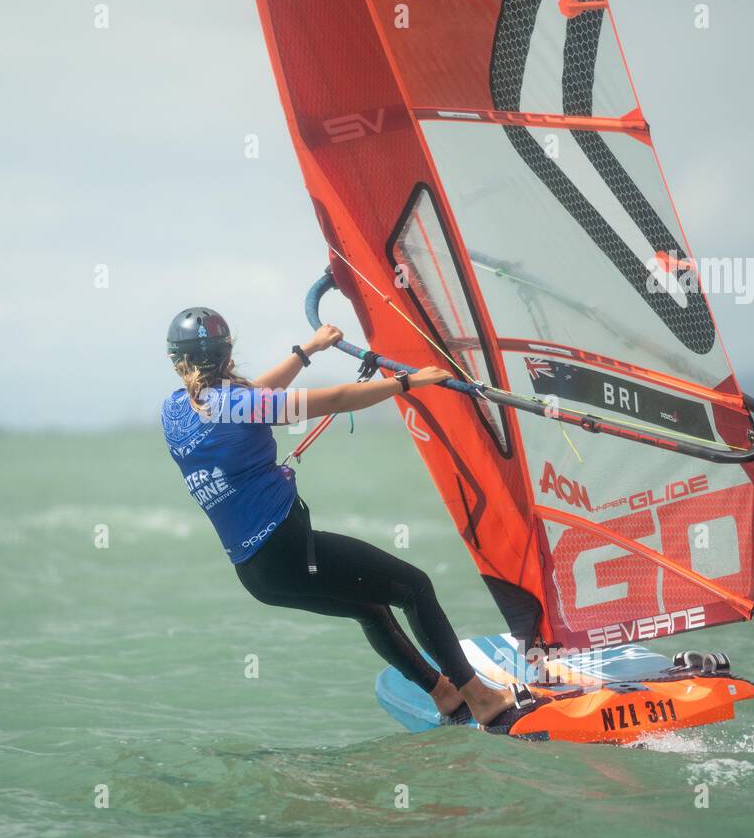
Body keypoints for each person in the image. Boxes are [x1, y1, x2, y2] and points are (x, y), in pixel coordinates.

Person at [160, 306, 533, 726]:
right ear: (228, 355)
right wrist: (406, 383)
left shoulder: (174, 412)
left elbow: (254, 397)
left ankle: (445, 695)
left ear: (177, 361)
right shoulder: (238, 402)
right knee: (414, 587)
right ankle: (480, 698)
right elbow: (331, 400)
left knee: (370, 608)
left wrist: (307, 352)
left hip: (257, 575)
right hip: (290, 552)